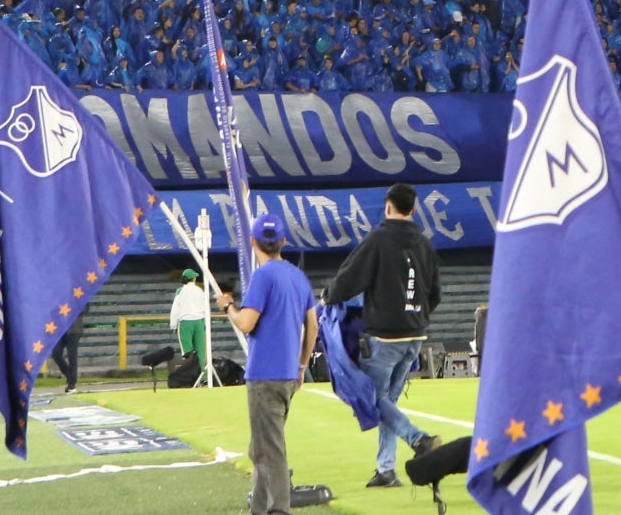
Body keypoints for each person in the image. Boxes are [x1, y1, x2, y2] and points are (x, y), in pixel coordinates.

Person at [326, 182, 443, 489]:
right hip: (416, 335)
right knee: (388, 401)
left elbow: (350, 278)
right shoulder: (425, 244)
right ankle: (386, 469)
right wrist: (417, 317)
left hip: (386, 336)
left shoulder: (379, 239)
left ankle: (418, 439)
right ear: (414, 210)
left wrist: (329, 295)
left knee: (372, 397)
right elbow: (435, 293)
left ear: (388, 206)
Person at [218, 213, 318, 515]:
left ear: (252, 242)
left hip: (264, 374)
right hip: (287, 373)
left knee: (269, 449)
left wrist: (229, 307)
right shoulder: (297, 276)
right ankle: (258, 508)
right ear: (283, 241)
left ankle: (279, 509)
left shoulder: (263, 276)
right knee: (261, 447)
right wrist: (302, 366)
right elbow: (312, 326)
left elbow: (247, 323)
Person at [171, 268, 210, 369]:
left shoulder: (180, 291)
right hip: (199, 321)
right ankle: (201, 371)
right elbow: (206, 307)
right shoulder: (200, 291)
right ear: (193, 279)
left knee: (187, 351)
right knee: (201, 350)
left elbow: (175, 309)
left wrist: (173, 325)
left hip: (185, 322)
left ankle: (190, 372)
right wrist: (205, 323)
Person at [52, 304, 84, 394]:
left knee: (72, 356)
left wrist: (70, 309)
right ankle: (70, 377)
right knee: (56, 353)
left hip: (74, 329)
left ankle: (72, 383)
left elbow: (85, 307)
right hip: (59, 329)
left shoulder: (77, 292)